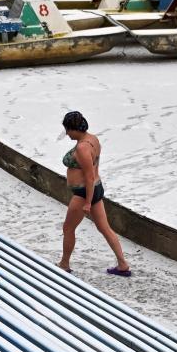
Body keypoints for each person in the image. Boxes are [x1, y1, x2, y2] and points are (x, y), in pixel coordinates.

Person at [57, 111, 131, 277]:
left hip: (84, 193)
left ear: (74, 129)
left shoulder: (82, 148)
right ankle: (123, 264)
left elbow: (89, 176)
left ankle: (64, 264)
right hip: (96, 188)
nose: (67, 134)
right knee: (104, 228)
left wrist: (87, 203)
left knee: (68, 228)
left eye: (68, 130)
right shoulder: (93, 139)